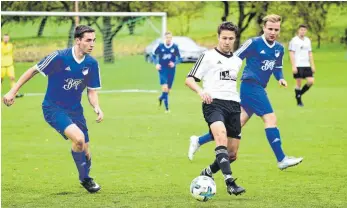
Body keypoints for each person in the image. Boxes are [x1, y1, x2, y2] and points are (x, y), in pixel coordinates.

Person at [188, 14, 303, 171]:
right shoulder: (254, 43)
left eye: (276, 29)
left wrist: (280, 78)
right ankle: (281, 159)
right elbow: (235, 57)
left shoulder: (279, 49)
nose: (273, 32)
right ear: (263, 28)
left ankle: (199, 140)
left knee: (235, 126)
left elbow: (277, 67)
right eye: (270, 29)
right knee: (271, 119)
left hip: (260, 87)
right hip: (250, 85)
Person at [3, 25, 103, 193]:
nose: (92, 44)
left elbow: (91, 91)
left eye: (94, 40)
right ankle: (85, 179)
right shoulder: (59, 57)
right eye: (88, 40)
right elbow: (33, 70)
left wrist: (97, 106)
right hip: (53, 108)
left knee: (86, 153)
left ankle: (85, 174)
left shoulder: (92, 63)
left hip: (75, 110)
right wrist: (13, 91)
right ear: (78, 41)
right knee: (78, 139)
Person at [185, 22, 245, 196]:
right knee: (221, 137)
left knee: (232, 154)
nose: (227, 41)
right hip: (213, 103)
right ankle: (230, 182)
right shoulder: (207, 56)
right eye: (224, 38)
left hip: (233, 105)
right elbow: (189, 79)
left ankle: (209, 172)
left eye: (231, 38)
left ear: (235, 39)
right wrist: (201, 91)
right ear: (218, 37)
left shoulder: (237, 61)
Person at [151, 31, 181, 113]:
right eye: (167, 38)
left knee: (168, 90)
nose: (169, 39)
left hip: (171, 70)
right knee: (165, 87)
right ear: (165, 38)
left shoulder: (175, 47)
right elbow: (153, 55)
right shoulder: (160, 46)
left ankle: (161, 98)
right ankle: (167, 109)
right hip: (162, 69)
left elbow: (180, 58)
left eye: (170, 38)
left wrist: (174, 63)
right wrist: (156, 63)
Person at [289, 24, 316, 106]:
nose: (303, 31)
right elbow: (291, 53)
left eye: (304, 30)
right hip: (298, 64)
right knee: (299, 83)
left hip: (306, 64)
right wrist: (293, 66)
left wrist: (313, 65)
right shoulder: (294, 40)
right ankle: (299, 102)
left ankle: (299, 94)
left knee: (311, 81)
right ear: (298, 30)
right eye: (301, 30)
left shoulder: (307, 40)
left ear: (306, 31)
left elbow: (310, 53)